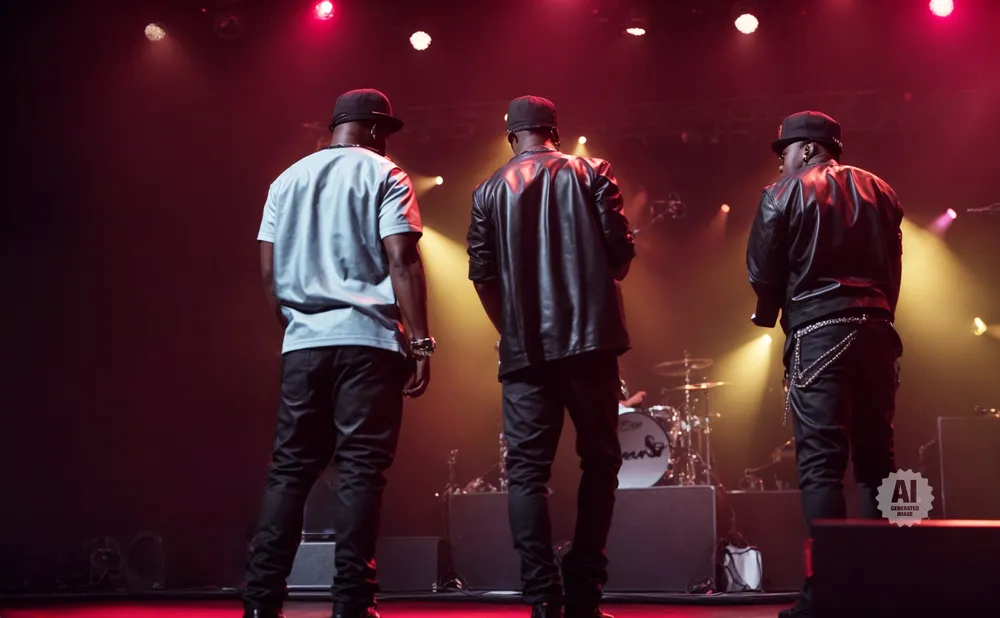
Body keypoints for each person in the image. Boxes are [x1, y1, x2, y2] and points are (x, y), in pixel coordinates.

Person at [243, 89, 433, 618]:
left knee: (289, 471)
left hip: (303, 342)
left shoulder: (286, 180)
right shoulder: (387, 175)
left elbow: (268, 271)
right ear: (373, 129)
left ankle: (260, 603)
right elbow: (402, 259)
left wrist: (294, 325)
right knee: (360, 473)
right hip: (368, 343)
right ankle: (352, 604)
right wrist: (419, 340)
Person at [467, 95, 635, 618]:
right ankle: (584, 591)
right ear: (554, 132)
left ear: (510, 135)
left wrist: (512, 329)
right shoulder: (593, 172)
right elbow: (621, 257)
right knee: (602, 462)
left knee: (526, 474)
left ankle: (542, 598)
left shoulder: (488, 190)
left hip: (525, 352)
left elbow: (482, 276)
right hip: (590, 343)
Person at [747, 111, 904, 618]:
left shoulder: (783, 193)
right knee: (877, 461)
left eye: (785, 151)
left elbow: (762, 266)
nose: (780, 164)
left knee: (821, 465)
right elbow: (894, 265)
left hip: (819, 333)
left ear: (810, 149)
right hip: (877, 331)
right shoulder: (881, 189)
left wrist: (767, 313)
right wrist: (882, 312)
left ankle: (829, 595)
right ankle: (879, 589)